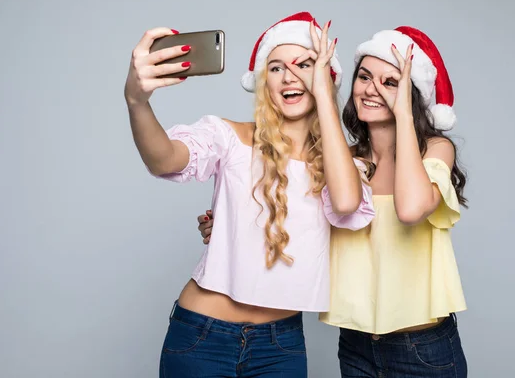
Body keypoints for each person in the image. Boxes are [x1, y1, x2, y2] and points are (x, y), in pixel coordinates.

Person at [196, 26, 469, 377]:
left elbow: (411, 208)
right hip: (356, 345)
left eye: (391, 82)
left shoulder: (434, 149)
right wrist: (230, 224)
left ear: (411, 94)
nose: (371, 89)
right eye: (365, 77)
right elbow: (297, 222)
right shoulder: (343, 163)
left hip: (422, 346)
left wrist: (403, 115)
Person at [124, 11, 375, 378]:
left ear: (327, 76)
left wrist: (324, 96)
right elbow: (164, 159)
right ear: (262, 82)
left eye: (304, 64)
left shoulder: (343, 166)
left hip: (279, 346)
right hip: (203, 335)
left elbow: (347, 203)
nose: (289, 76)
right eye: (275, 68)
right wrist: (137, 102)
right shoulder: (228, 137)